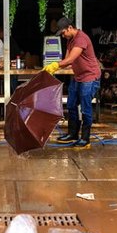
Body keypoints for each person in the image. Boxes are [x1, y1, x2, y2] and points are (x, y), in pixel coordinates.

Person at [44, 17, 101, 147]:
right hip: (78, 77)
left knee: (86, 109)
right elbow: (67, 60)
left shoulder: (81, 39)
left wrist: (55, 65)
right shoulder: (70, 40)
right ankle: (72, 134)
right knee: (70, 104)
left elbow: (70, 60)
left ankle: (85, 139)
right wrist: (52, 67)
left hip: (90, 77)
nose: (63, 36)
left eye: (63, 32)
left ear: (70, 28)